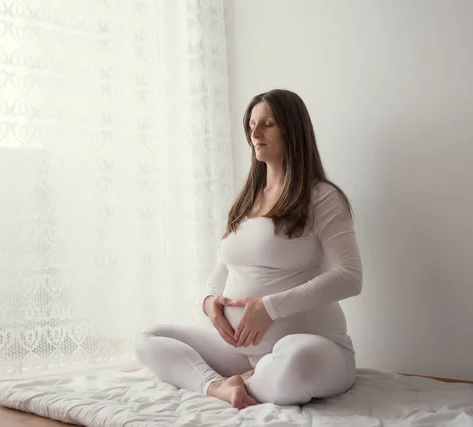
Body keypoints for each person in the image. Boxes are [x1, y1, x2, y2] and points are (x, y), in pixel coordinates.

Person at [133, 89, 363, 409]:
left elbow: (349, 277)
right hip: (242, 351)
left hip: (316, 347)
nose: (254, 133)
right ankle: (220, 387)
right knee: (149, 337)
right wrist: (210, 301)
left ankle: (250, 380)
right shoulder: (247, 199)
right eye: (251, 124)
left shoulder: (322, 197)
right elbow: (225, 265)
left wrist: (269, 308)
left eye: (267, 124)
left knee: (294, 363)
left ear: (292, 131)